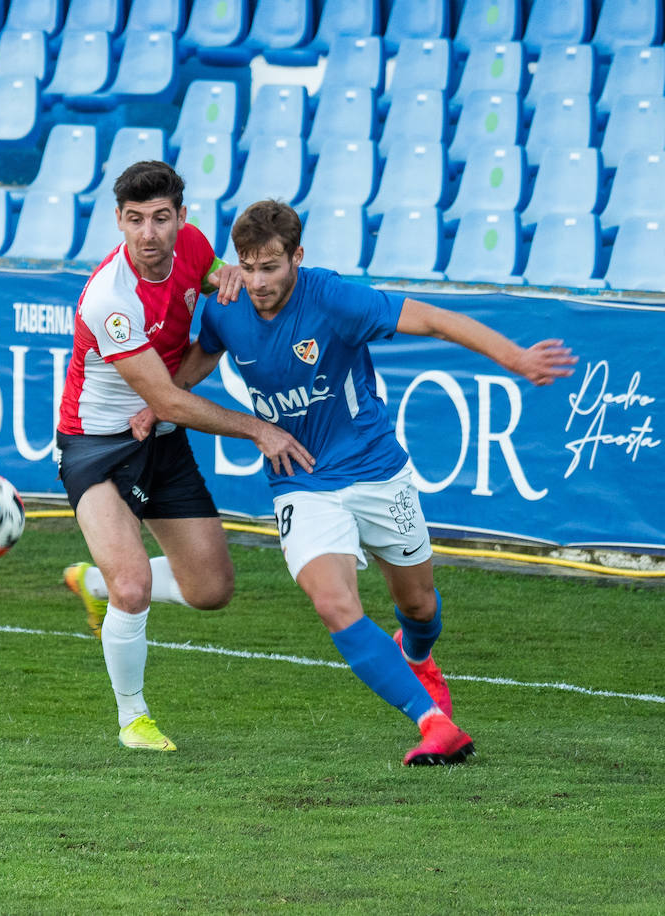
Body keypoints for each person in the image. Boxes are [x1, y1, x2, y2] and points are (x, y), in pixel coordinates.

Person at [170, 199, 578, 765]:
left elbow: (435, 319)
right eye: (249, 265)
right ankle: (433, 722)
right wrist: (155, 405)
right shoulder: (225, 306)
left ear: (297, 257)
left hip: (377, 471)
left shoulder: (334, 297)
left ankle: (418, 657)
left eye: (271, 267)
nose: (258, 282)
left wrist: (515, 357)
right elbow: (198, 361)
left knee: (418, 607)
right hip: (302, 482)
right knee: (333, 603)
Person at [56, 162, 314, 753]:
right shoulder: (109, 300)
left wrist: (226, 277)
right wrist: (259, 430)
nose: (149, 233)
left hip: (161, 437)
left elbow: (212, 306)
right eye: (136, 220)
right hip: (95, 445)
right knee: (135, 587)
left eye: (161, 218)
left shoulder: (195, 249)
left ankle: (93, 583)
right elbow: (167, 396)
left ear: (182, 219)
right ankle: (133, 720)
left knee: (212, 588)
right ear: (118, 221)